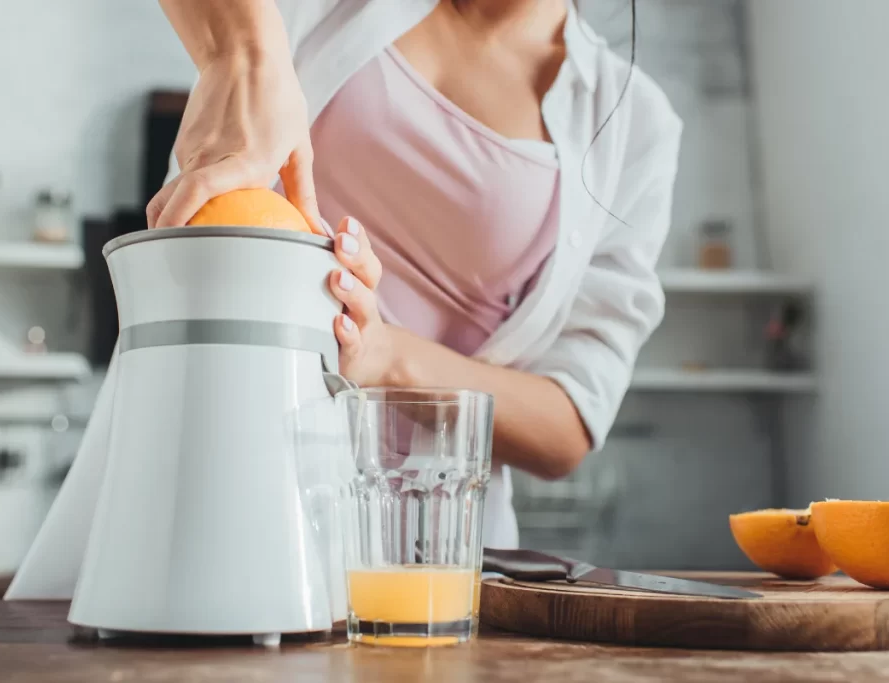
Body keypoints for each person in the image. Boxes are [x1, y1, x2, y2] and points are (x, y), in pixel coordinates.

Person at [148, 0, 682, 549]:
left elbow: (566, 423)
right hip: (223, 468)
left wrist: (384, 357)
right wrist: (243, 53)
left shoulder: (635, 121)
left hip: (427, 553)